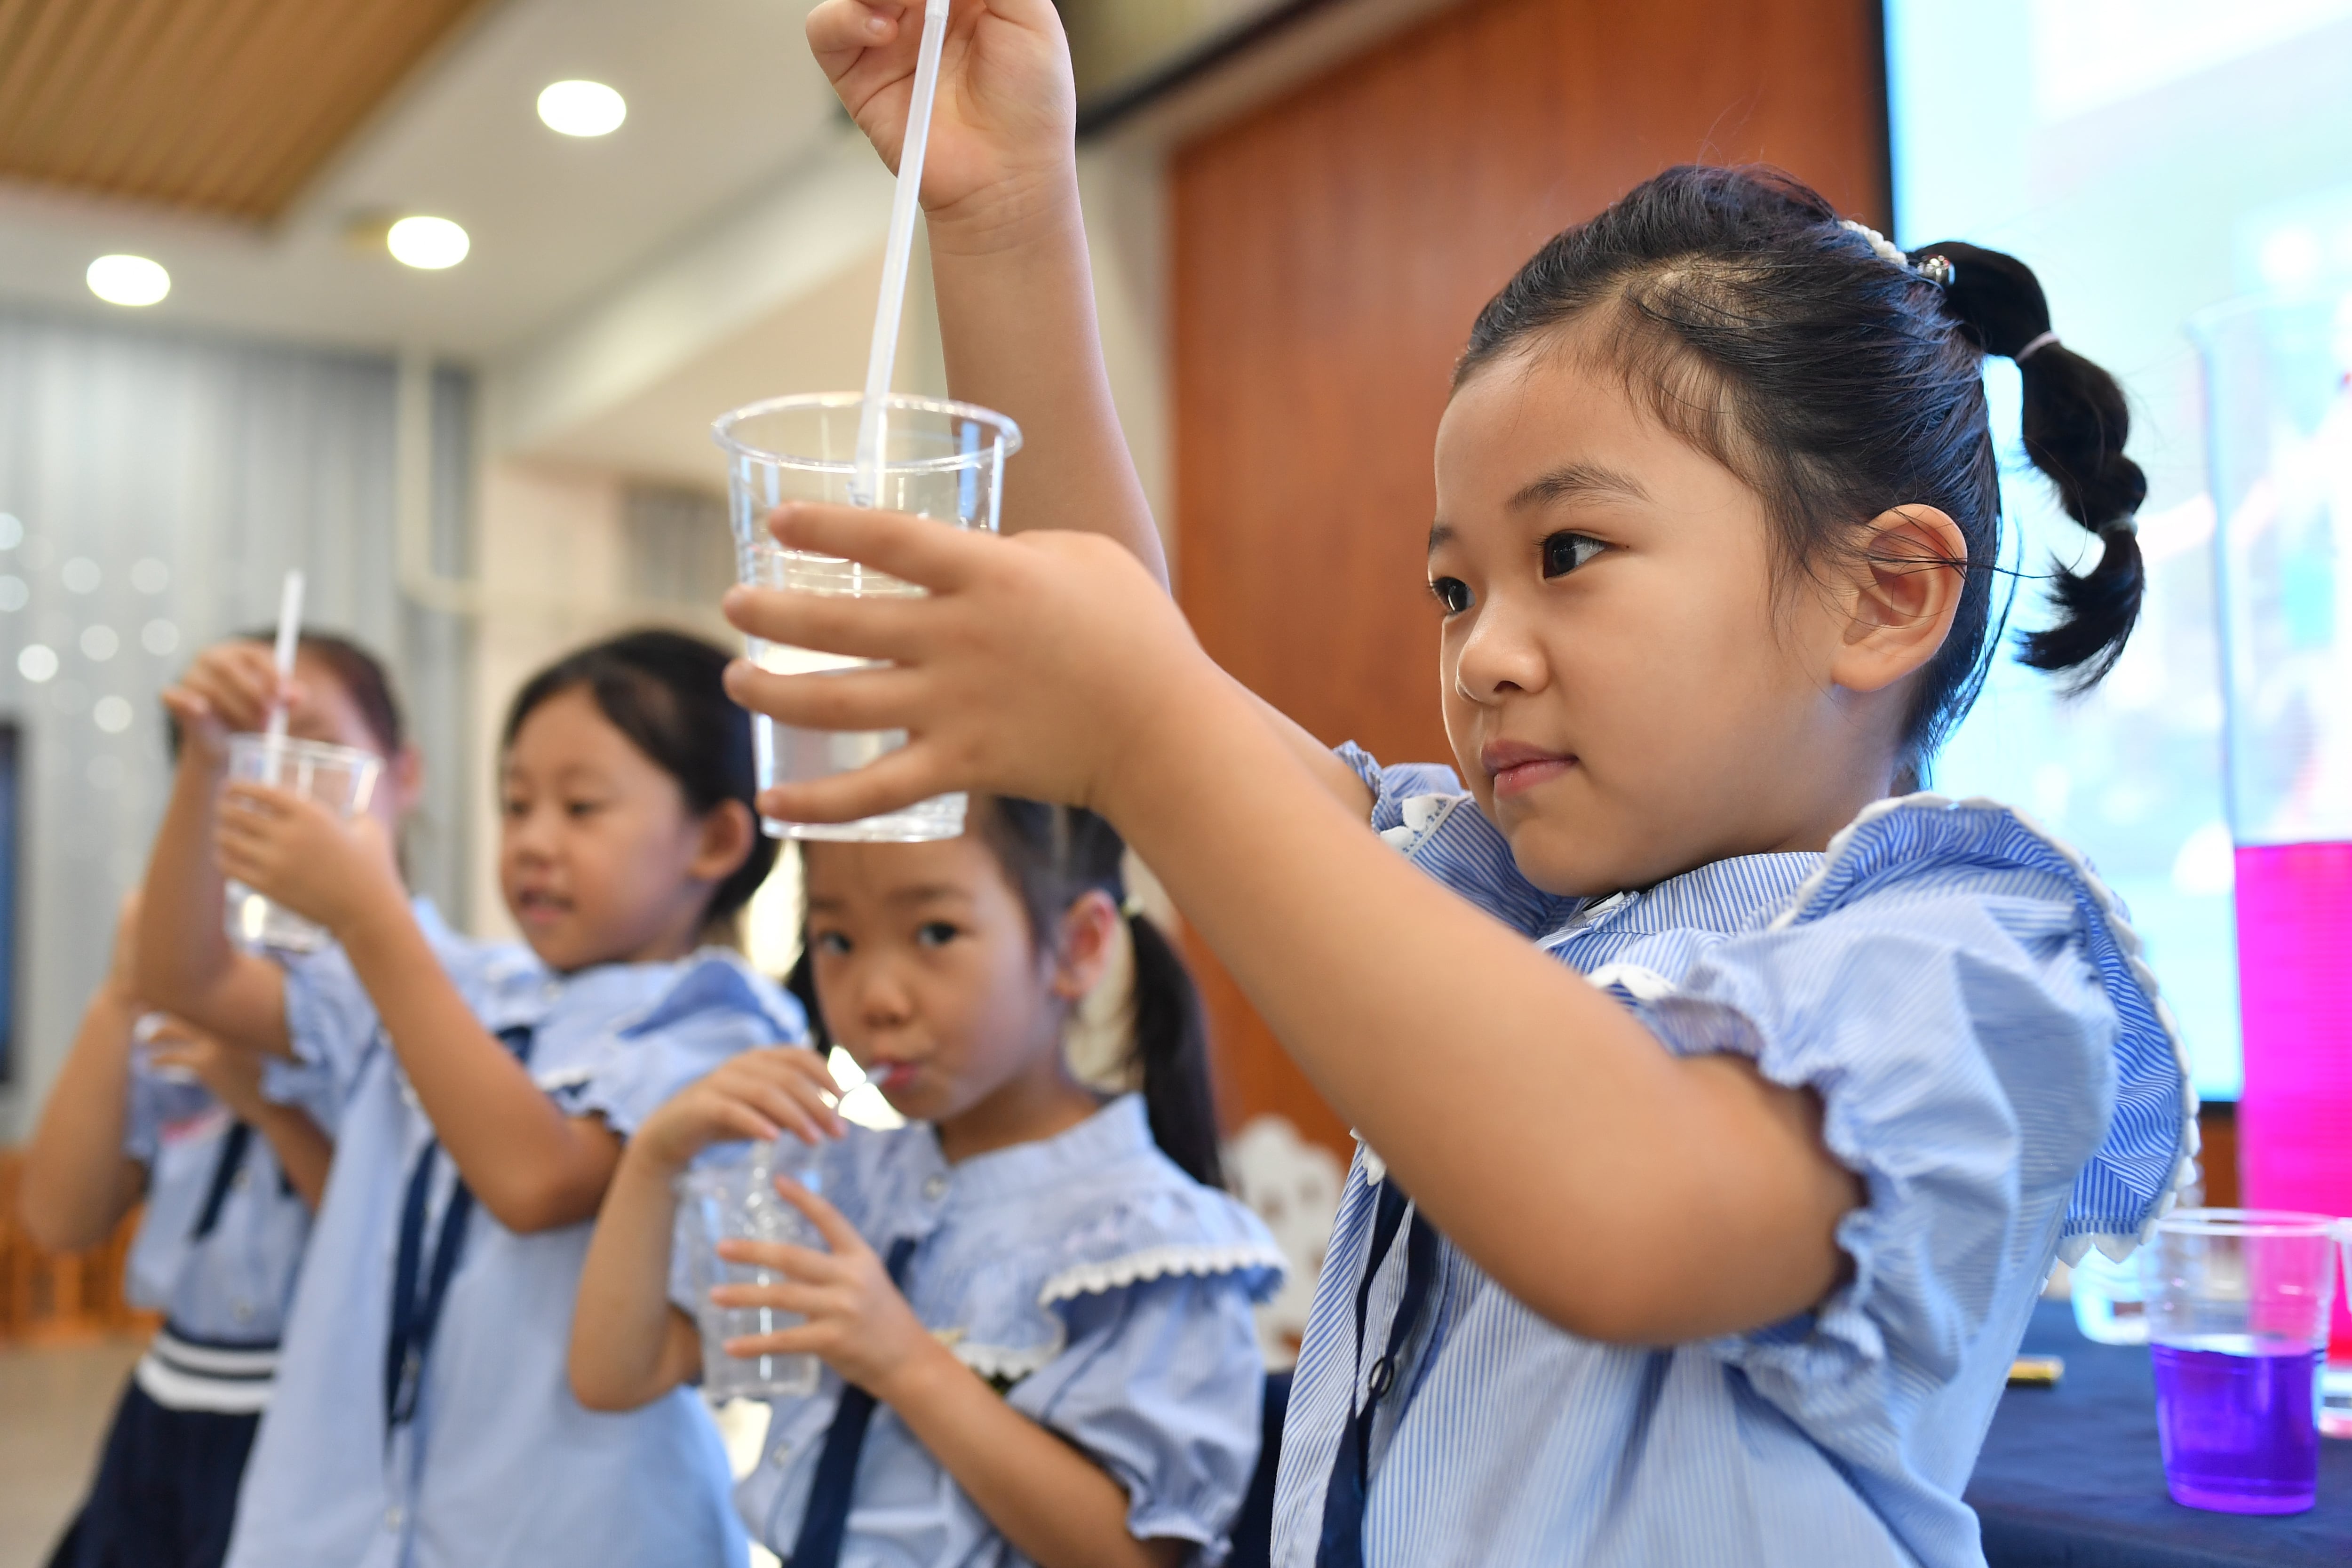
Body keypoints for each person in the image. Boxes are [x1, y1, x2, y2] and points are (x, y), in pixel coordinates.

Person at [717, 6, 2195, 1563]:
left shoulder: (1969, 967)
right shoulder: (1491, 889)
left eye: (1568, 554)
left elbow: (1626, 1211)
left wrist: (1144, 729)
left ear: (1885, 595)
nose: (1484, 651)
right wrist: (1002, 210)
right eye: (1451, 589)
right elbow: (1141, 666)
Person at [135, 629, 805, 1568]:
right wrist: (210, 765)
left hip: (577, 1531)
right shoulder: (466, 984)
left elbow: (534, 1179)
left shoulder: (722, 1025)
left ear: (717, 837)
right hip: (342, 1525)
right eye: (514, 802)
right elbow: (184, 978)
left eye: (580, 806)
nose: (532, 839)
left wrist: (371, 915)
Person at [570, 799, 1283, 1568]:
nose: (876, 997)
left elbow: (1137, 1556)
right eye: (837, 939)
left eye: (935, 933)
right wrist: (655, 1157)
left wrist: (905, 1361)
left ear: (1079, 946)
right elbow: (620, 1372)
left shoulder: (1152, 1234)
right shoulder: (838, 1173)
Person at [22, 629, 410, 1568]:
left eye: (308, 749)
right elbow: (61, 1215)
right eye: (238, 761)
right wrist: (127, 986)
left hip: (330, 1411)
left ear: (403, 775)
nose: (272, 789)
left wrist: (264, 1099)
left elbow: (394, 1246)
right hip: (170, 1397)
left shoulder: (427, 992)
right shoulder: (180, 983)